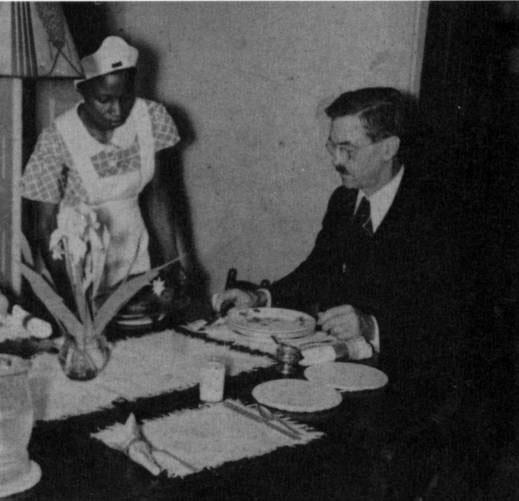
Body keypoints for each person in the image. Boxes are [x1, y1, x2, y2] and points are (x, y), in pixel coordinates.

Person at [214, 87, 470, 391]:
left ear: (388, 148)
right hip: (338, 368)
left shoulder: (438, 212)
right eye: (331, 146)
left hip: (412, 378)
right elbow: (317, 269)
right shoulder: (344, 201)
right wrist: (260, 299)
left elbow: (449, 317)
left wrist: (371, 326)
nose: (336, 160)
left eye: (348, 150)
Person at [21, 36, 186, 305]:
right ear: (82, 91)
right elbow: (45, 226)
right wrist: (73, 299)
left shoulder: (152, 118)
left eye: (125, 97)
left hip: (136, 263)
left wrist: (172, 265)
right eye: (104, 100)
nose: (117, 110)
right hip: (74, 270)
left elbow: (159, 196)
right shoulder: (58, 138)